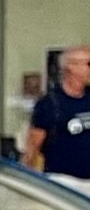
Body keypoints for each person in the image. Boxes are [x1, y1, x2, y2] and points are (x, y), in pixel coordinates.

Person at [24, 45, 90, 180]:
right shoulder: (49, 104)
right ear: (71, 66)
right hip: (63, 182)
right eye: (88, 63)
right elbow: (32, 150)